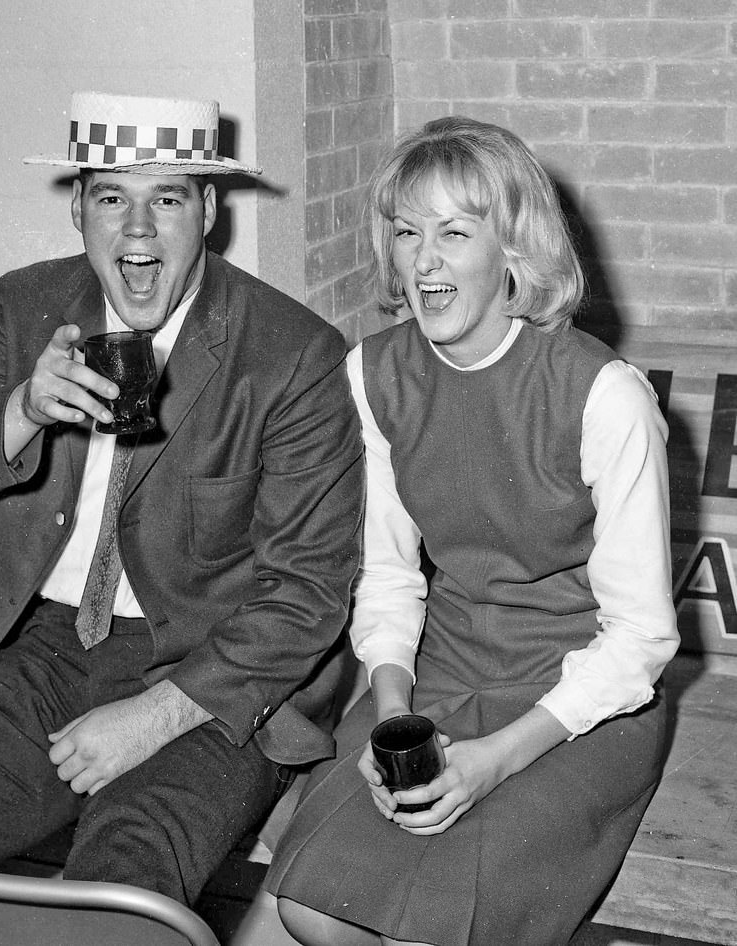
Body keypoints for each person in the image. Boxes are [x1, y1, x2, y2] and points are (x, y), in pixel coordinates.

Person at [0, 89, 365, 945]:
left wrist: (158, 713)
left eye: (166, 198)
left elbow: (307, 595)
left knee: (114, 899)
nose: (136, 230)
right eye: (110, 198)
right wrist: (22, 408)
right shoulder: (27, 309)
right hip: (49, 648)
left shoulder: (292, 354)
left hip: (216, 681)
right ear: (80, 211)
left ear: (207, 211)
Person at [250, 116, 681, 946]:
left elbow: (639, 641)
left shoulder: (604, 394)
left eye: (455, 232)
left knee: (433, 926)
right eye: (407, 232)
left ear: (514, 250)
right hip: (438, 673)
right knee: (306, 906)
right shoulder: (372, 373)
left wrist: (496, 760)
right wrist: (388, 716)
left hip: (582, 699)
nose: (422, 260)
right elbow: (388, 578)